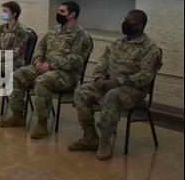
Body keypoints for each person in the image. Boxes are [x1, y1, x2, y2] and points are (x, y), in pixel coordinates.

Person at [68, 10, 163, 161]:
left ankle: (105, 142)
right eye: (125, 20)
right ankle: (90, 136)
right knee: (81, 91)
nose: (125, 24)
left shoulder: (150, 49)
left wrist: (119, 81)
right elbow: (102, 62)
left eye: (129, 22)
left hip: (132, 90)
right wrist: (99, 77)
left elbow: (145, 77)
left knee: (112, 97)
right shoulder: (117, 43)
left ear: (140, 26)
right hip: (107, 83)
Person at [0, 2, 93, 141]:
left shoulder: (81, 35)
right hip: (43, 67)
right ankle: (18, 115)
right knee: (17, 75)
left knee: (41, 81)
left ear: (72, 14)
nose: (58, 13)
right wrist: (37, 61)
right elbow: (40, 48)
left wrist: (51, 66)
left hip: (66, 75)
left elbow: (77, 59)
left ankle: (42, 123)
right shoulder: (54, 30)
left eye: (62, 11)